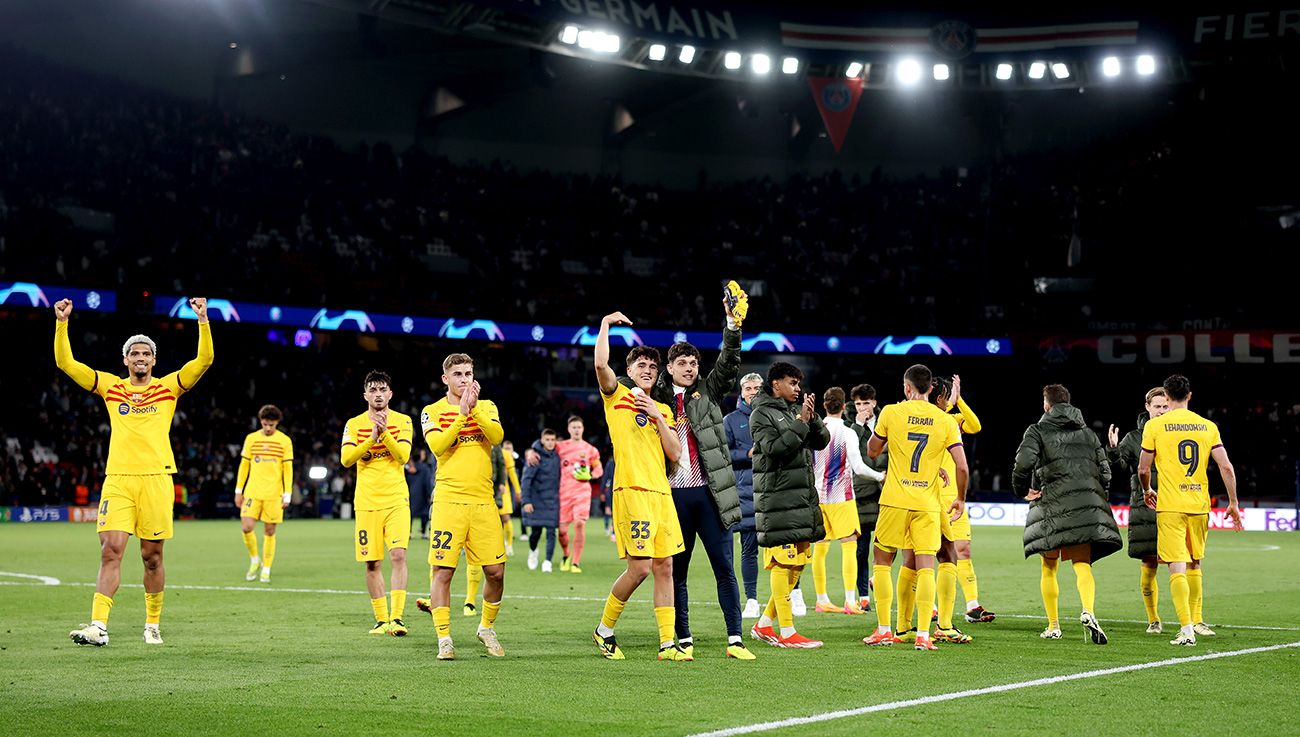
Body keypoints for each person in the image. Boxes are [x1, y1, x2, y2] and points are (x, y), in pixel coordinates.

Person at [59, 297, 213, 647]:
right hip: (119, 479)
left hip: (157, 479)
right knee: (111, 550)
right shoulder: (111, 387)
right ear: (125, 360)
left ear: (154, 360)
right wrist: (62, 323)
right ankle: (99, 625)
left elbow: (204, 360)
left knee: (152, 558)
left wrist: (202, 320)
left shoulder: (169, 387)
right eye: (135, 354)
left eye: (146, 354)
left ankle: (152, 624)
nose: (140, 358)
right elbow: (65, 363)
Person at [653, 281, 752, 660]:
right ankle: (684, 637)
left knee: (724, 568)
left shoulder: (708, 393)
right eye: (683, 363)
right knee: (676, 572)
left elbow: (728, 362)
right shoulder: (656, 398)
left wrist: (732, 326)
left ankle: (735, 639)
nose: (691, 368)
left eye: (694, 363)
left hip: (709, 494)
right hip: (672, 495)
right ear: (670, 367)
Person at [590, 311, 689, 661]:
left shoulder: (663, 407)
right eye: (640, 366)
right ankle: (603, 631)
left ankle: (667, 645)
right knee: (640, 568)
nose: (646, 370)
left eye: (651, 366)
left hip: (661, 493)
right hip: (631, 491)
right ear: (629, 372)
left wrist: (659, 415)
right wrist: (604, 324)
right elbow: (601, 363)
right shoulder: (617, 396)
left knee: (665, 567)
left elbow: (675, 453)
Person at [864, 364, 967, 652]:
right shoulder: (944, 420)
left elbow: (873, 451)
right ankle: (924, 634)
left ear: (907, 387)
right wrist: (960, 497)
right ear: (931, 388)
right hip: (927, 503)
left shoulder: (891, 413)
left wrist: (881, 434)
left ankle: (885, 629)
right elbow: (961, 465)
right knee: (926, 567)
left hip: (895, 500)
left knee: (882, 563)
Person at [1137, 374, 1242, 646]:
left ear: (1167, 397)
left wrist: (1147, 490)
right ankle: (1197, 620)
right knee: (1195, 562)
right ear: (1190, 395)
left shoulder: (1155, 427)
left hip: (1170, 505)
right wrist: (1233, 503)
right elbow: (1226, 467)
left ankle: (1186, 629)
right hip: (1199, 504)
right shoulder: (1207, 426)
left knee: (1176, 567)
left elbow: (1144, 468)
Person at [1011, 383, 1120, 645]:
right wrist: (1096, 498)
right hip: (1085, 504)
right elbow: (1105, 472)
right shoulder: (1088, 434)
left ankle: (1053, 626)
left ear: (1046, 405)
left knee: (1049, 566)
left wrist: (1021, 490)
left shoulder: (1037, 430)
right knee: (1082, 564)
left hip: (1051, 503)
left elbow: (1023, 462)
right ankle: (1088, 611)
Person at [419, 353, 506, 660]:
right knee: (443, 571)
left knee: (495, 572)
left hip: (483, 501)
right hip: (448, 501)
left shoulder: (488, 407)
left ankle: (486, 628)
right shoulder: (431, 411)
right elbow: (438, 446)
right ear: (446, 379)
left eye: (468, 373)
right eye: (458, 374)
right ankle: (444, 638)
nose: (465, 379)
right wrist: (462, 414)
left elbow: (496, 436)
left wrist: (474, 411)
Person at [749, 361, 831, 649]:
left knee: (796, 567)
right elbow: (774, 449)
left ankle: (763, 625)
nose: (797, 388)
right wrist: (800, 423)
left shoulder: (795, 411)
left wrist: (812, 419)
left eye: (799, 383)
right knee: (783, 564)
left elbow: (822, 441)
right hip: (778, 500)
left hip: (800, 499)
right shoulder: (761, 414)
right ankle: (786, 632)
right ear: (776, 385)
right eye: (792, 383)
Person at [340, 371, 413, 637]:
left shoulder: (403, 421)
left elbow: (403, 456)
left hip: (395, 499)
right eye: (373, 390)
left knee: (398, 555)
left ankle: (397, 618)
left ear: (390, 394)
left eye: (383, 389)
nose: (378, 394)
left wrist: (385, 434)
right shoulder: (354, 424)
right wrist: (371, 438)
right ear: (366, 395)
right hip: (367, 502)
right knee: (372, 563)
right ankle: (381, 620)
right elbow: (346, 459)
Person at [810, 387, 882, 616]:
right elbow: (859, 468)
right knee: (849, 546)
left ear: (824, 406)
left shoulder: (814, 431)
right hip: (842, 497)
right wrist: (880, 476)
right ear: (844, 407)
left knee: (820, 548)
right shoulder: (848, 433)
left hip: (819, 497)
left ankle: (822, 600)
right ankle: (851, 601)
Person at [1107, 387, 1169, 633]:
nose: (1162, 411)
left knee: (1185, 563)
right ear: (1148, 407)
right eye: (1157, 406)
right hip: (1146, 507)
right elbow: (1121, 468)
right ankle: (1153, 619)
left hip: (1176, 502)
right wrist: (1113, 450)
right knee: (1149, 562)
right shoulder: (1134, 438)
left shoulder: (1178, 433)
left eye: (1165, 406)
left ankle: (1193, 620)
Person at [235, 404, 294, 584]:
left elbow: (287, 469)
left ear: (277, 423)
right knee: (246, 527)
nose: (268, 428)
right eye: (265, 424)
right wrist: (239, 490)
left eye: (272, 425)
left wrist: (287, 493)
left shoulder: (284, 441)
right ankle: (255, 559)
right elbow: (244, 466)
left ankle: (266, 568)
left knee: (269, 530)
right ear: (261, 422)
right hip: (252, 492)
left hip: (274, 494)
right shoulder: (251, 439)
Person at [724, 372, 763, 618]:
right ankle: (752, 600)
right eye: (748, 388)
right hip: (746, 492)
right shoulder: (730, 420)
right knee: (749, 549)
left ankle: (794, 594)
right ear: (741, 391)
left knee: (785, 544)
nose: (753, 392)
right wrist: (747, 455)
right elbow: (724, 455)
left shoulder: (773, 415)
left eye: (757, 388)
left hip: (773, 488)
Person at [845, 384, 886, 611]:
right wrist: (859, 425)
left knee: (886, 546)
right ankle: (863, 596)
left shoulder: (885, 423)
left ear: (874, 402)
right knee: (860, 549)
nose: (862, 407)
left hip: (884, 494)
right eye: (858, 404)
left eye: (866, 403)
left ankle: (876, 580)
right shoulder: (851, 427)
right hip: (860, 495)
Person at [555, 416, 603, 573]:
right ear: (569, 429)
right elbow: (543, 450)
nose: (576, 430)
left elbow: (598, 469)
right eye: (573, 427)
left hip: (582, 492)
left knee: (580, 524)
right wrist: (531, 454)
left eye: (579, 427)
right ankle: (566, 555)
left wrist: (591, 475)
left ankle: (575, 563)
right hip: (563, 492)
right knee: (562, 531)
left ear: (583, 429)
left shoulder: (590, 450)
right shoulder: (560, 447)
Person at [521, 429, 561, 572]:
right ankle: (533, 552)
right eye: (547, 440)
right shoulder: (535, 458)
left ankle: (547, 562)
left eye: (552, 440)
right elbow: (526, 480)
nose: (550, 443)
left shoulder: (558, 457)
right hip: (536, 501)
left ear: (556, 441)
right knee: (535, 532)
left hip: (552, 501)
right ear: (542, 440)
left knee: (551, 532)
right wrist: (526, 501)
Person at [405, 448, 435, 540]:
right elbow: (427, 482)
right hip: (422, 493)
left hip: (410, 492)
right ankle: (423, 532)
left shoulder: (408, 468)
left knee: (410, 512)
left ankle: (409, 532)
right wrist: (429, 494)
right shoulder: (425, 468)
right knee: (424, 513)